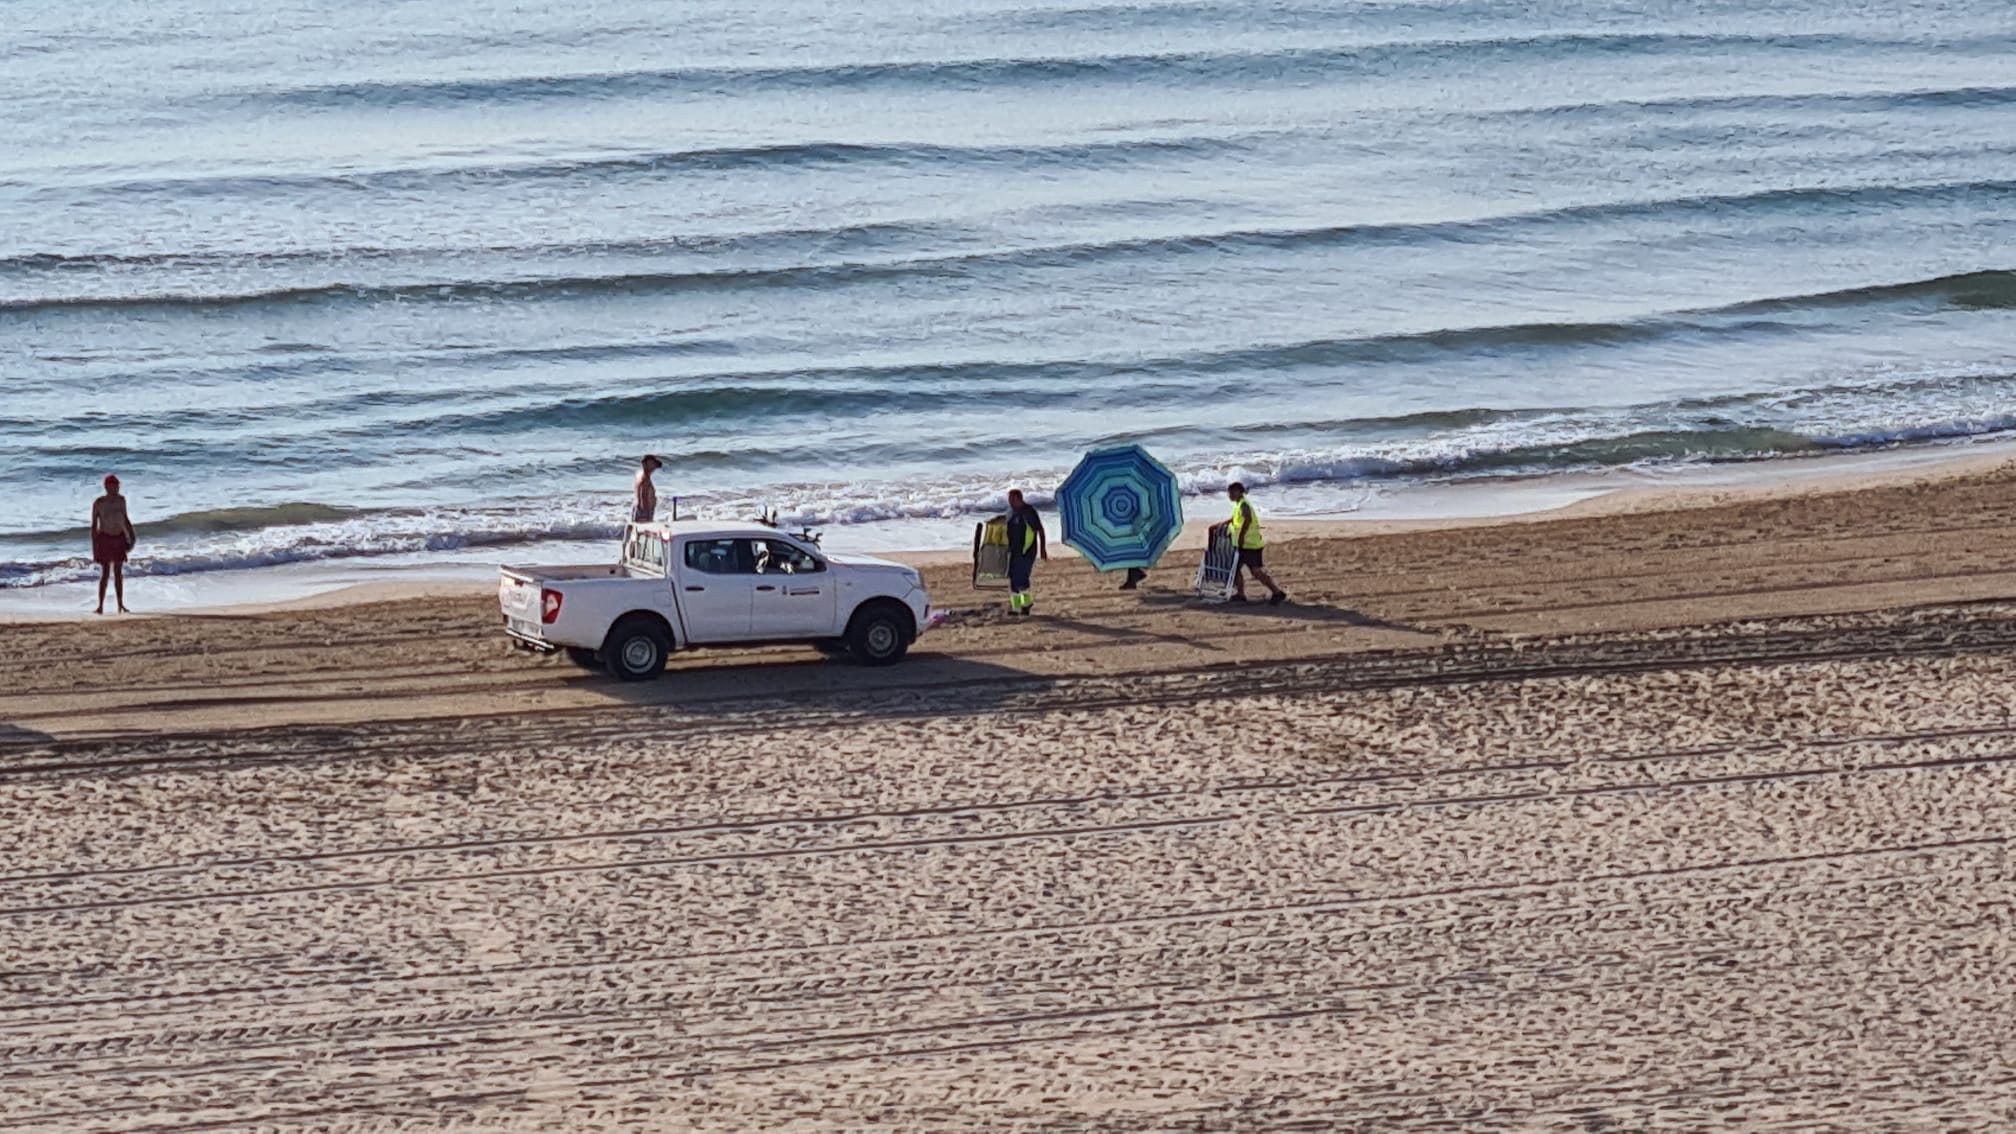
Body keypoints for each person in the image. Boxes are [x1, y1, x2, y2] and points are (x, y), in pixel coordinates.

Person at [1226, 482, 1286, 606]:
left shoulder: (1244, 504)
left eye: (1232, 492)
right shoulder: (1238, 504)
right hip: (1244, 545)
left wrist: (1241, 536)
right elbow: (1235, 519)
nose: (1230, 495)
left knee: (1256, 572)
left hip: (1250, 545)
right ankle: (1241, 594)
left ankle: (1277, 592)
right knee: (1235, 569)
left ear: (1239, 492)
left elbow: (1247, 519)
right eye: (1229, 492)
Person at [91, 474, 136, 615]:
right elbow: (94, 525)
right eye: (113, 486)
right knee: (105, 573)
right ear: (106, 487)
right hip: (104, 538)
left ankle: (120, 604)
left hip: (119, 537)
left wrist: (132, 536)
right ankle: (100, 606)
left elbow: (125, 519)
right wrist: (94, 546)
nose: (116, 489)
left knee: (118, 572)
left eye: (117, 486)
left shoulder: (121, 500)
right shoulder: (99, 503)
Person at [1004, 489, 1048, 615]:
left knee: (1021, 579)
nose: (1010, 502)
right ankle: (1016, 607)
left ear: (1019, 499)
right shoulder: (1010, 511)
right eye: (1009, 499)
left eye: (1012, 499)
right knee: (1013, 578)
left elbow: (1040, 530)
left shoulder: (1029, 512)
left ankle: (1027, 604)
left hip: (1026, 551)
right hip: (1013, 550)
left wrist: (1043, 549)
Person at [633, 455, 663, 523]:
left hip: (639, 508)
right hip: (644, 510)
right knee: (645, 529)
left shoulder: (640, 474)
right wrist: (646, 512)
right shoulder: (645, 478)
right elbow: (643, 495)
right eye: (652, 464)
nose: (654, 468)